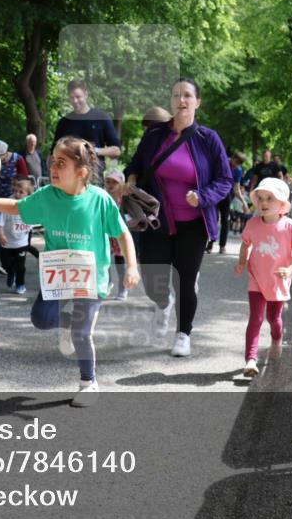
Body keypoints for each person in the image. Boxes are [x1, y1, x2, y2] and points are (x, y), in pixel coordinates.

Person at [0, 137, 140, 407]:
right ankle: (68, 325)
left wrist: (131, 266)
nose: (53, 167)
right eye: (52, 162)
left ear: (81, 173)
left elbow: (123, 234)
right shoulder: (48, 196)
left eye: (62, 163)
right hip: (58, 278)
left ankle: (88, 382)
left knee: (82, 335)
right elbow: (17, 208)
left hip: (91, 280)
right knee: (41, 319)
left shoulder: (100, 200)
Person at [124, 78, 233, 357]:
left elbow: (225, 180)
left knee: (184, 281)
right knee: (152, 279)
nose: (181, 100)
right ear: (171, 101)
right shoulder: (155, 135)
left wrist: (203, 196)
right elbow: (135, 165)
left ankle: (183, 333)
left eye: (187, 96)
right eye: (176, 95)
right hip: (157, 221)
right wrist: (131, 181)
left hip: (193, 224)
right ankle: (163, 305)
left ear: (198, 102)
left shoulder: (208, 139)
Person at [234, 178, 292, 377]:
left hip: (278, 280)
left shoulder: (290, 227)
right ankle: (251, 359)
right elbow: (245, 243)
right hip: (256, 279)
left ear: (282, 205)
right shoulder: (252, 224)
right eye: (260, 198)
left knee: (273, 318)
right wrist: (242, 262)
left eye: (270, 198)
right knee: (256, 318)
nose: (264, 203)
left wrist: (291, 268)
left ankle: (277, 339)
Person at [52, 80, 121, 172]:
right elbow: (53, 154)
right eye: (72, 98)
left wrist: (94, 151)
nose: (75, 101)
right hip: (69, 175)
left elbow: (116, 151)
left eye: (78, 97)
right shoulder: (64, 122)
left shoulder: (102, 118)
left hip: (94, 176)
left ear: (86, 94)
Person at [0, 140, 28, 258]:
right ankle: (0, 251)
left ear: (6, 153)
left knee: (12, 230)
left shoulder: (17, 159)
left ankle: (8, 254)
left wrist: (22, 193)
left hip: (11, 200)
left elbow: (25, 179)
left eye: (1, 157)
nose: (0, 160)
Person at [0, 176, 35, 295]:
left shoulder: (30, 206)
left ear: (28, 195)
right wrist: (1, 235)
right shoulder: (8, 205)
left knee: (20, 266)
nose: (17, 194)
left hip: (21, 243)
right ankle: (10, 272)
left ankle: (20, 284)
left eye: (21, 192)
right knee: (5, 264)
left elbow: (36, 220)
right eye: (15, 191)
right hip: (7, 243)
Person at [206, 152, 249, 254]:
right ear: (232, 158)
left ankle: (222, 246)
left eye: (239, 164)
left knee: (225, 220)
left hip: (227, 194)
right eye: (236, 162)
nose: (236, 165)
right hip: (216, 191)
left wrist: (243, 202)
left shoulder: (238, 170)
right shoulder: (222, 163)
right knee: (214, 218)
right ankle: (210, 244)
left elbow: (236, 188)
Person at [103, 169, 132, 300]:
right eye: (108, 181)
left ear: (121, 183)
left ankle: (123, 287)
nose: (110, 184)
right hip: (106, 235)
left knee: (121, 265)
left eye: (114, 182)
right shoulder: (103, 198)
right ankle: (108, 282)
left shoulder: (125, 201)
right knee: (105, 261)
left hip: (119, 236)